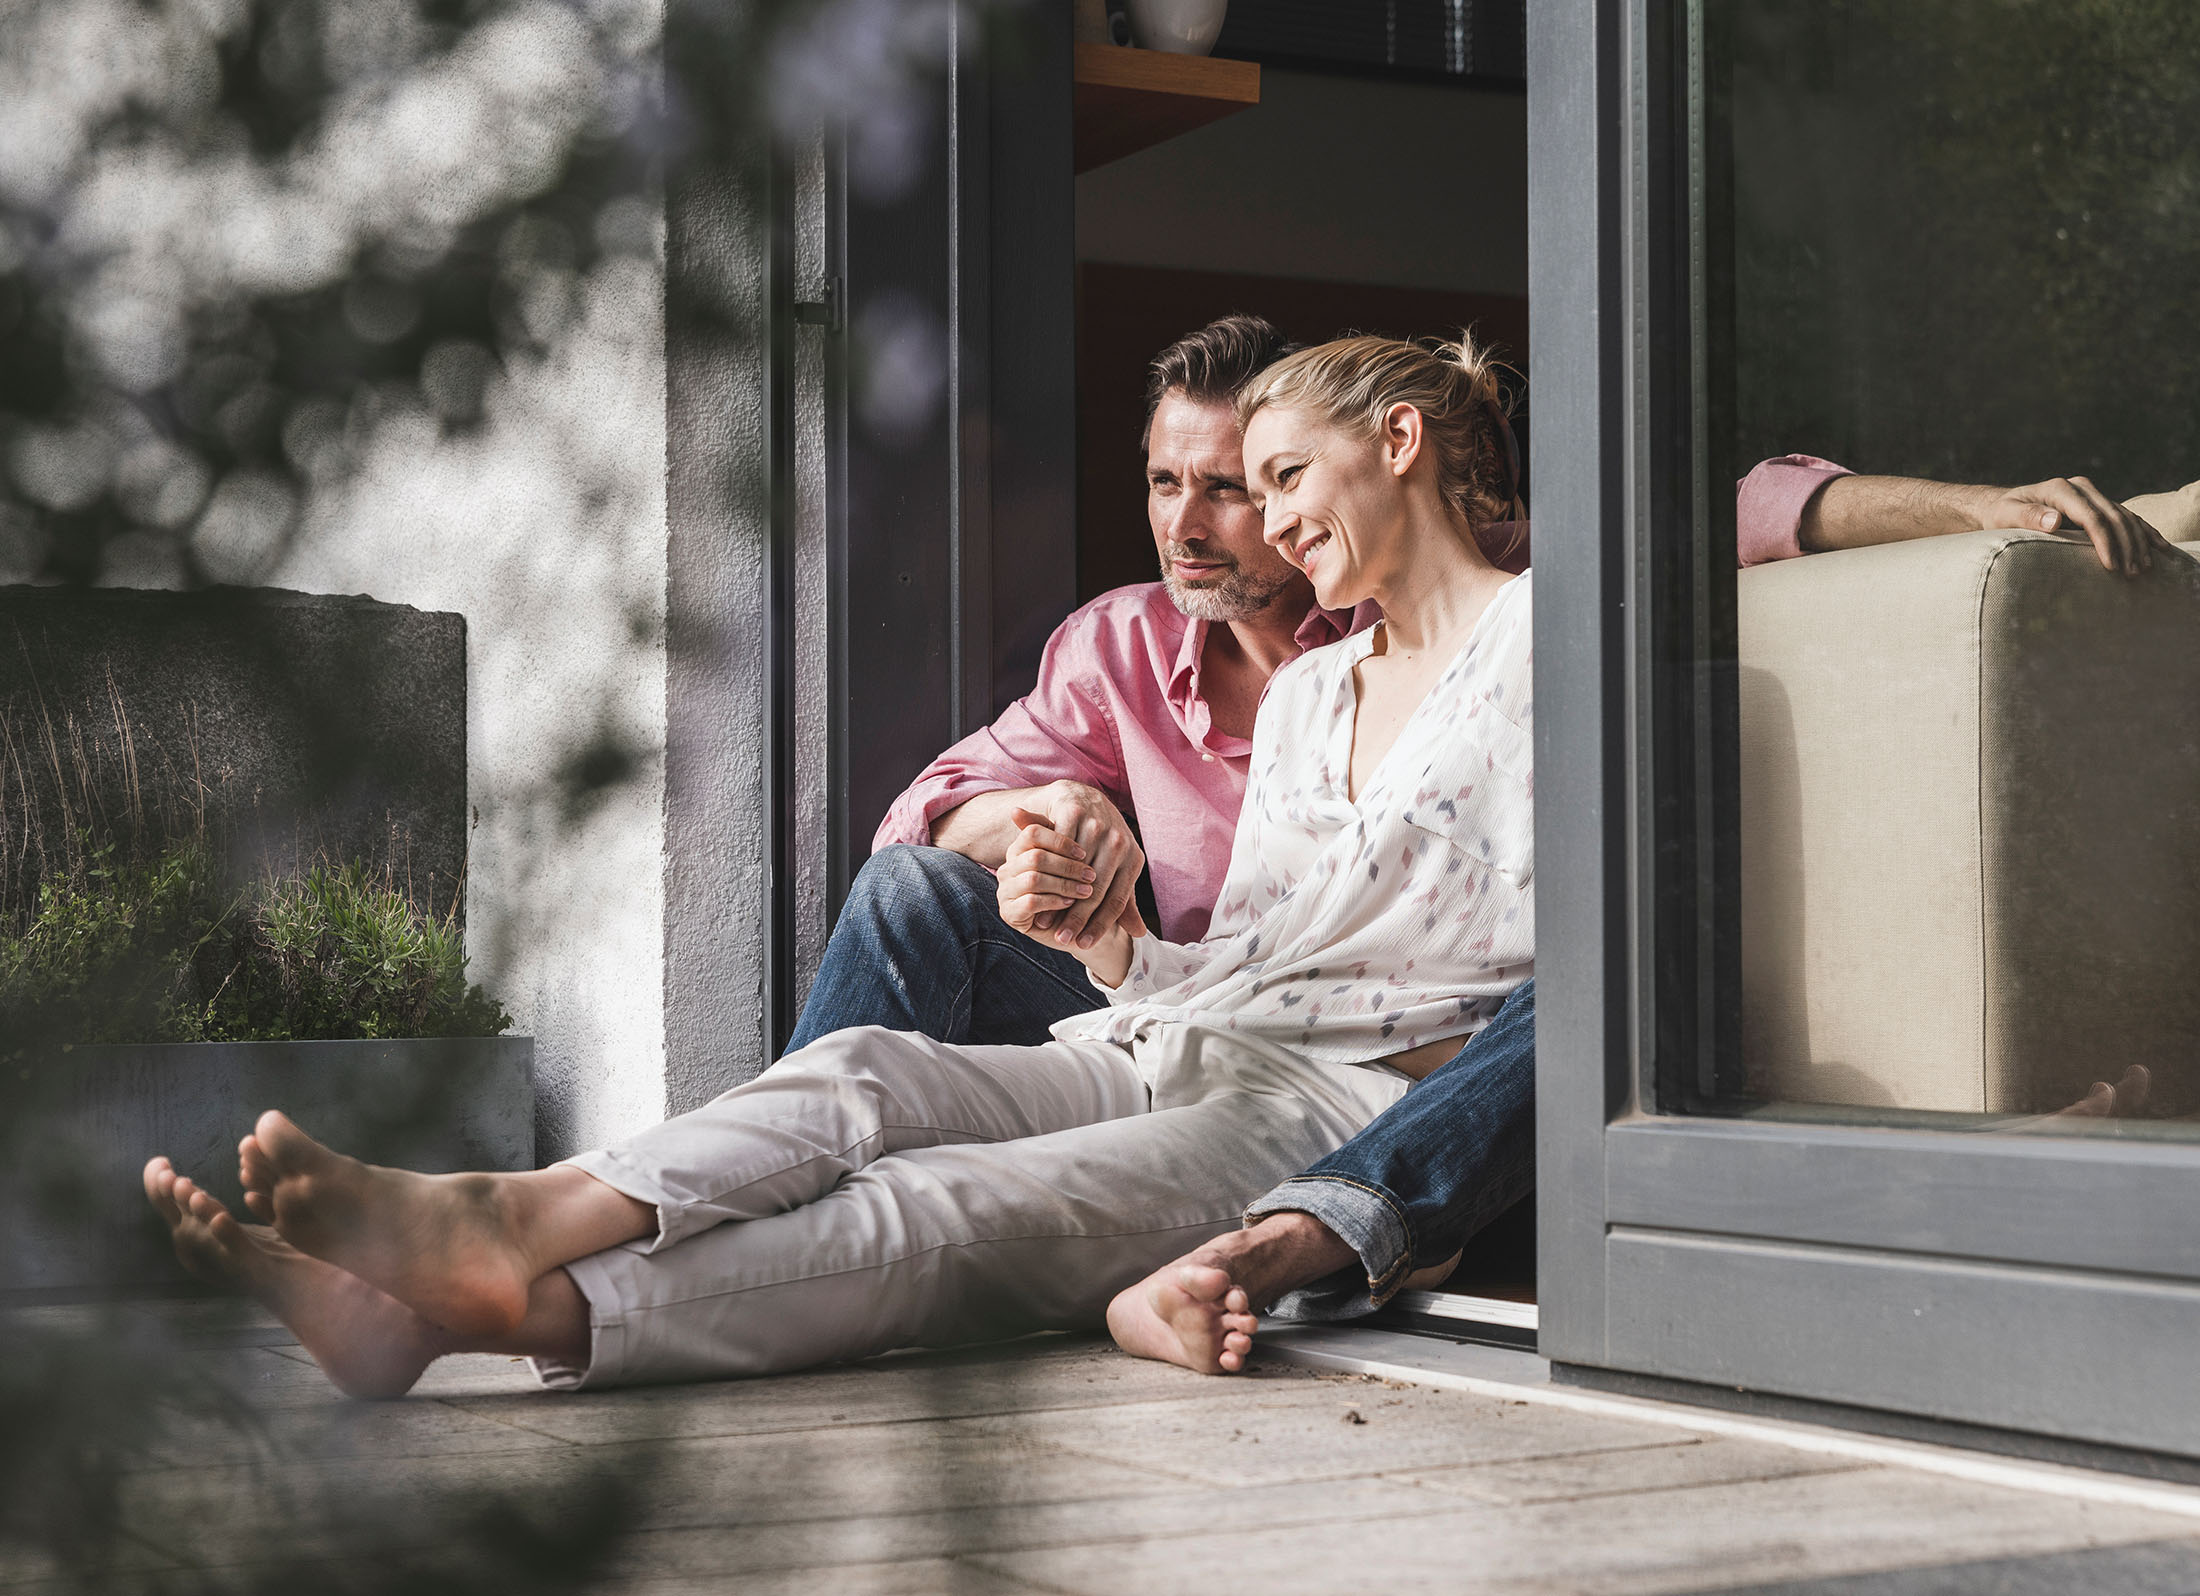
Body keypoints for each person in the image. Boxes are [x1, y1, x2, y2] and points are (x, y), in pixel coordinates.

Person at [142, 329, 1545, 1398]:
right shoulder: (1317, 691)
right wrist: (1110, 930)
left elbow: (1543, 959)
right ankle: (506, 1218)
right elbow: (1246, 954)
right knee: (866, 1072)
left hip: (1341, 1099)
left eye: (1281, 480)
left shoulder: (1547, 639)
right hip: (1183, 1030)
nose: (1274, 523)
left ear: (1403, 443)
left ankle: (494, 1314)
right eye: (1238, 487)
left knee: (952, 1207)